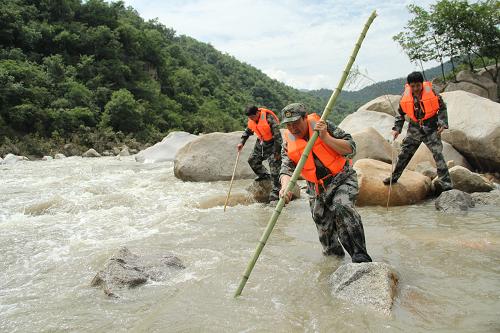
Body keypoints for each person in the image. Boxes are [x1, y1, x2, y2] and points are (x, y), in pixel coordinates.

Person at [279, 103, 372, 263]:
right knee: (323, 225)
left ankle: (360, 258)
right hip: (316, 189)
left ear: (304, 117)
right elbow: (286, 169)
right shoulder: (289, 141)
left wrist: (326, 138)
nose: (293, 128)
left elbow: (351, 148)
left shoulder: (323, 126)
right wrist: (285, 187)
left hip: (341, 179)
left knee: (342, 207)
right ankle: (335, 263)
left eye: (296, 122)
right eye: (289, 124)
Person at [383, 71, 452, 193]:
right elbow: (400, 114)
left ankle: (446, 184)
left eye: (418, 85)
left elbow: (442, 107)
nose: (415, 88)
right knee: (404, 154)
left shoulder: (433, 93)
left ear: (422, 84)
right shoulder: (405, 97)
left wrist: (442, 122)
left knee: (438, 154)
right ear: (409, 86)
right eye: (413, 86)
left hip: (431, 127)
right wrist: (397, 129)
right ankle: (394, 177)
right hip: (414, 129)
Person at [238, 106, 282, 202]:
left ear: (257, 113)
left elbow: (278, 136)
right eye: (249, 118)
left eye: (252, 117)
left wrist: (277, 152)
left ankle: (276, 190)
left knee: (274, 168)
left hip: (273, 143)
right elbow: (248, 131)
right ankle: (264, 176)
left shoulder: (269, 119)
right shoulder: (252, 120)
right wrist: (242, 142)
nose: (251, 119)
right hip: (262, 143)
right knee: (252, 160)